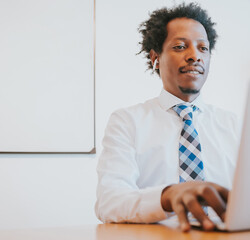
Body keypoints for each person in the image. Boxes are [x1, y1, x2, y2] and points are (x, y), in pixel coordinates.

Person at [95, 2, 241, 232]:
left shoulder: (234, 125)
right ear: (156, 57)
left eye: (203, 48)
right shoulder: (127, 122)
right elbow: (109, 203)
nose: (195, 56)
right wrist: (168, 196)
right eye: (181, 47)